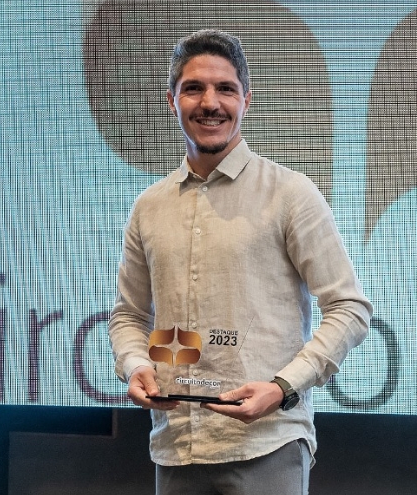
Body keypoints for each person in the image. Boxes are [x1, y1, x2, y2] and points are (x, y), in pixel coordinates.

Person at [108, 29, 373, 495]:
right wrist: (134, 366)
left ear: (246, 100)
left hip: (267, 444)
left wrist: (283, 387)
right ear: (172, 100)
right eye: (194, 88)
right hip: (176, 444)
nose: (210, 102)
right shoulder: (149, 207)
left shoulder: (290, 194)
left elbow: (349, 309)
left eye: (225, 89)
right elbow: (129, 316)